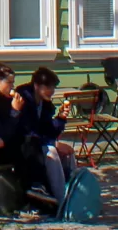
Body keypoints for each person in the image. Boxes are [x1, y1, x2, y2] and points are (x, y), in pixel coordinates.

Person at [15, 66, 78, 204]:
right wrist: (53, 143)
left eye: (53, 87)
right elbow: (28, 133)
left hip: (39, 143)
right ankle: (61, 199)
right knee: (53, 153)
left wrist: (61, 118)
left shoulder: (44, 104)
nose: (52, 91)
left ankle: (74, 192)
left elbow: (48, 130)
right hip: (23, 146)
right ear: (37, 86)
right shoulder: (23, 101)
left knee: (69, 153)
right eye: (48, 87)